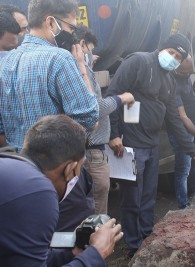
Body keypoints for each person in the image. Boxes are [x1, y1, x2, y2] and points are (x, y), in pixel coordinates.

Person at [107, 33, 195, 258]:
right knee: (131, 197)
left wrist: (193, 151)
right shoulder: (139, 62)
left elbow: (173, 118)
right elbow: (113, 94)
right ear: (163, 48)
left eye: (178, 57)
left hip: (151, 144)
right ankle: (133, 244)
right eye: (171, 52)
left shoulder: (169, 80)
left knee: (148, 195)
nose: (173, 58)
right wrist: (113, 134)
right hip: (130, 143)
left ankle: (145, 235)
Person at [0, 115, 123, 266]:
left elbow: (23, 258)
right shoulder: (39, 192)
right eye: (79, 169)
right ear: (69, 168)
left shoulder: (9, 166)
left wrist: (71, 254)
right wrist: (96, 253)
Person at [0, 0, 99, 151]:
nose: (72, 34)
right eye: (71, 27)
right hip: (55, 166)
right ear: (51, 23)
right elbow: (89, 118)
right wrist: (81, 66)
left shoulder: (5, 62)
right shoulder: (59, 58)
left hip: (18, 165)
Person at [74, 24, 135, 214]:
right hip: (91, 153)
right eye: (90, 50)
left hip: (83, 150)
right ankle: (98, 242)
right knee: (97, 206)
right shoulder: (80, 71)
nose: (92, 55)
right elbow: (95, 108)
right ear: (82, 45)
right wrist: (121, 98)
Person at [169, 54, 195, 209]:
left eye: (189, 72)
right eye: (185, 72)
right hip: (181, 131)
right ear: (177, 69)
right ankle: (183, 204)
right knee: (183, 169)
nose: (188, 75)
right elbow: (182, 117)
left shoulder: (185, 77)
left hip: (193, 125)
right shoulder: (173, 84)